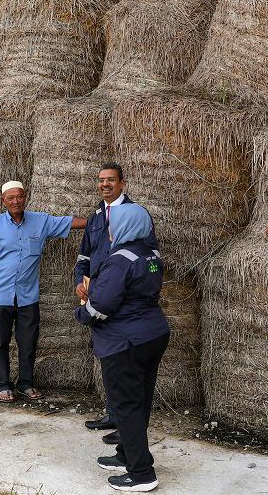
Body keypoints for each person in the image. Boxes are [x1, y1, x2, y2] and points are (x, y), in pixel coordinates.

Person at [76, 203, 170, 492]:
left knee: (126, 405)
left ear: (125, 226)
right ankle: (127, 454)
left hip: (124, 341)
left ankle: (142, 474)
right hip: (152, 334)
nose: (109, 229)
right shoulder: (151, 254)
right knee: (139, 400)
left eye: (113, 224)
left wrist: (83, 312)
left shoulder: (120, 259)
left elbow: (103, 304)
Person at [0, 181, 87, 403]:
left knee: (28, 342)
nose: (16, 201)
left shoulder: (40, 221)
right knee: (1, 342)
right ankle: (2, 384)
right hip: (0, 294)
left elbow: (69, 222)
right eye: (10, 198)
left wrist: (102, 219)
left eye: (19, 196)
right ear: (3, 201)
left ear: (25, 197)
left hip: (28, 295)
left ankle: (26, 383)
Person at [76, 162, 159, 446]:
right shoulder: (96, 217)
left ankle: (127, 433)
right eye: (101, 180)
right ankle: (113, 414)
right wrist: (80, 281)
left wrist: (88, 310)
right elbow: (85, 256)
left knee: (123, 364)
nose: (105, 185)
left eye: (110, 180)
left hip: (118, 303)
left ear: (122, 183)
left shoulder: (136, 215)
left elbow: (149, 255)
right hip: (100, 295)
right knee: (109, 359)